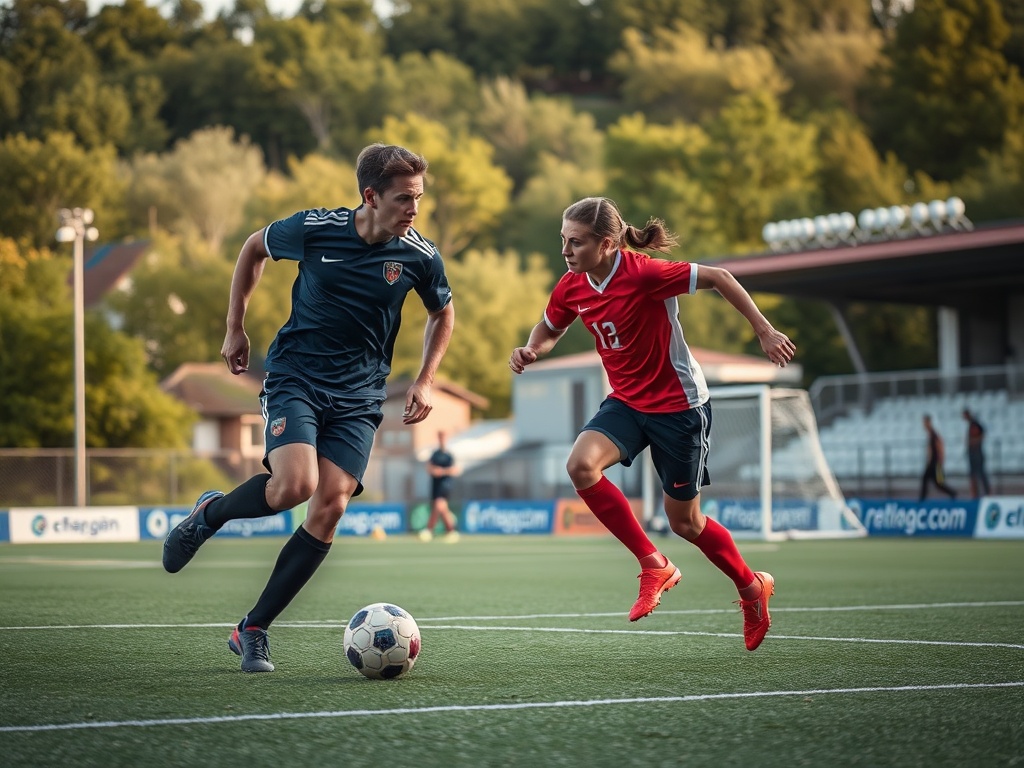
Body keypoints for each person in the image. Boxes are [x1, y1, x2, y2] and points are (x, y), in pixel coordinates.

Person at [162, 143, 455, 673]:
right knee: (293, 487)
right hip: (296, 376)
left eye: (419, 198)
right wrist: (235, 327)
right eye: (404, 199)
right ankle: (209, 515)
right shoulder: (315, 229)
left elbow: (443, 312)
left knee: (331, 505)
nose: (414, 209)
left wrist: (426, 380)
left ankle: (253, 628)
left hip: (361, 395)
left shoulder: (420, 254)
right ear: (370, 196)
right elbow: (253, 249)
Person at [509, 197, 796, 652]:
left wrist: (764, 329)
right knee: (581, 466)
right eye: (562, 240)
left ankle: (750, 586)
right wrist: (532, 349)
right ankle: (652, 563)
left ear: (606, 244)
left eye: (575, 242)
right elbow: (549, 328)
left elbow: (720, 277)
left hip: (679, 407)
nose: (565, 250)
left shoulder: (644, 274)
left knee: (685, 522)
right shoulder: (571, 286)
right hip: (626, 402)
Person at [419, 429, 461, 542]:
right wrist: (434, 471)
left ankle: (429, 530)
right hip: (435, 486)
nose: (442, 439)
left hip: (445, 486)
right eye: (440, 437)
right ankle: (451, 532)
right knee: (442, 509)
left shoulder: (449, 456)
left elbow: (455, 470)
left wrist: (442, 472)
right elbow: (429, 468)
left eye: (443, 437)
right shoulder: (435, 455)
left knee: (439, 506)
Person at [919, 414, 957, 502]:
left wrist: (940, 460)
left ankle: (922, 498)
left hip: (935, 462)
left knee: (930, 480)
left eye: (925, 422)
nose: (924, 425)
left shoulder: (933, 434)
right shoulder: (931, 434)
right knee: (937, 483)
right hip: (933, 462)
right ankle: (952, 493)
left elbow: (940, 446)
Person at [963, 408, 991, 497]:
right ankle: (976, 493)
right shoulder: (971, 424)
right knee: (974, 474)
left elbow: (982, 435)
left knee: (980, 474)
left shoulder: (974, 423)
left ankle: (985, 492)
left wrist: (974, 442)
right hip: (973, 452)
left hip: (977, 453)